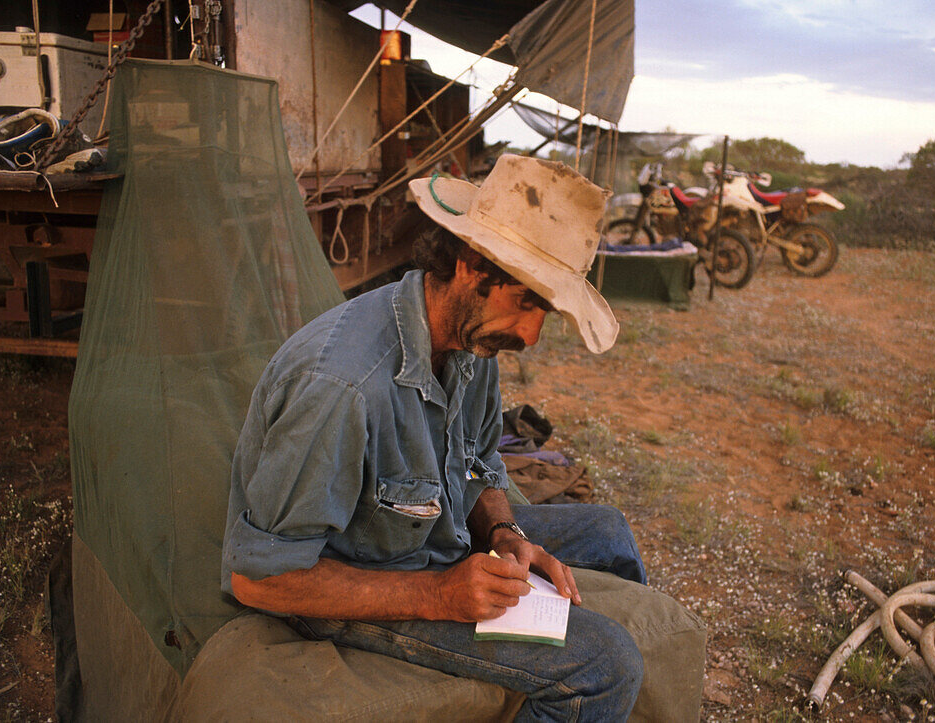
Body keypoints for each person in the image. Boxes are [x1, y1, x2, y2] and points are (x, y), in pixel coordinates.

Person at [222, 155, 650, 721]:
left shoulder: (471, 340)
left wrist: (504, 531)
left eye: (544, 311)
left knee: (609, 534)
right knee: (607, 664)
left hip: (428, 537)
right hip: (353, 583)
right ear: (473, 266)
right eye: (526, 303)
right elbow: (261, 581)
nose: (531, 333)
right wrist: (439, 595)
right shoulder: (341, 389)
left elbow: (475, 463)